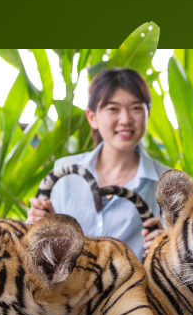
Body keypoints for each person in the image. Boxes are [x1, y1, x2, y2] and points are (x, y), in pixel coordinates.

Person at [26, 67, 171, 260]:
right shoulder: (63, 174)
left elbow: (182, 258)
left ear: (148, 114)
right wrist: (37, 224)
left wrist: (167, 247)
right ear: (92, 118)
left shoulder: (167, 183)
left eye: (136, 108)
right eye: (113, 109)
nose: (125, 119)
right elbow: (43, 252)